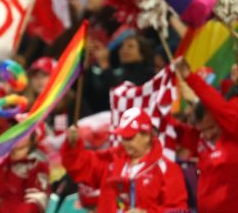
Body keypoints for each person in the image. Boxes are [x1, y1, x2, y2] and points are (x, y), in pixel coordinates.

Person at [61, 107, 187, 212]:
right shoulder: (112, 159)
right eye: (122, 137)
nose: (124, 143)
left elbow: (179, 210)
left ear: (146, 136)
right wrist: (72, 147)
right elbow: (80, 166)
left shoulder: (168, 169)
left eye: (129, 138)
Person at [175, 57, 238, 212]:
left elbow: (220, 108)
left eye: (212, 128)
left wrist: (190, 77)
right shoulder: (202, 141)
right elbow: (176, 131)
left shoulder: (232, 126)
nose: (207, 134)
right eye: (203, 130)